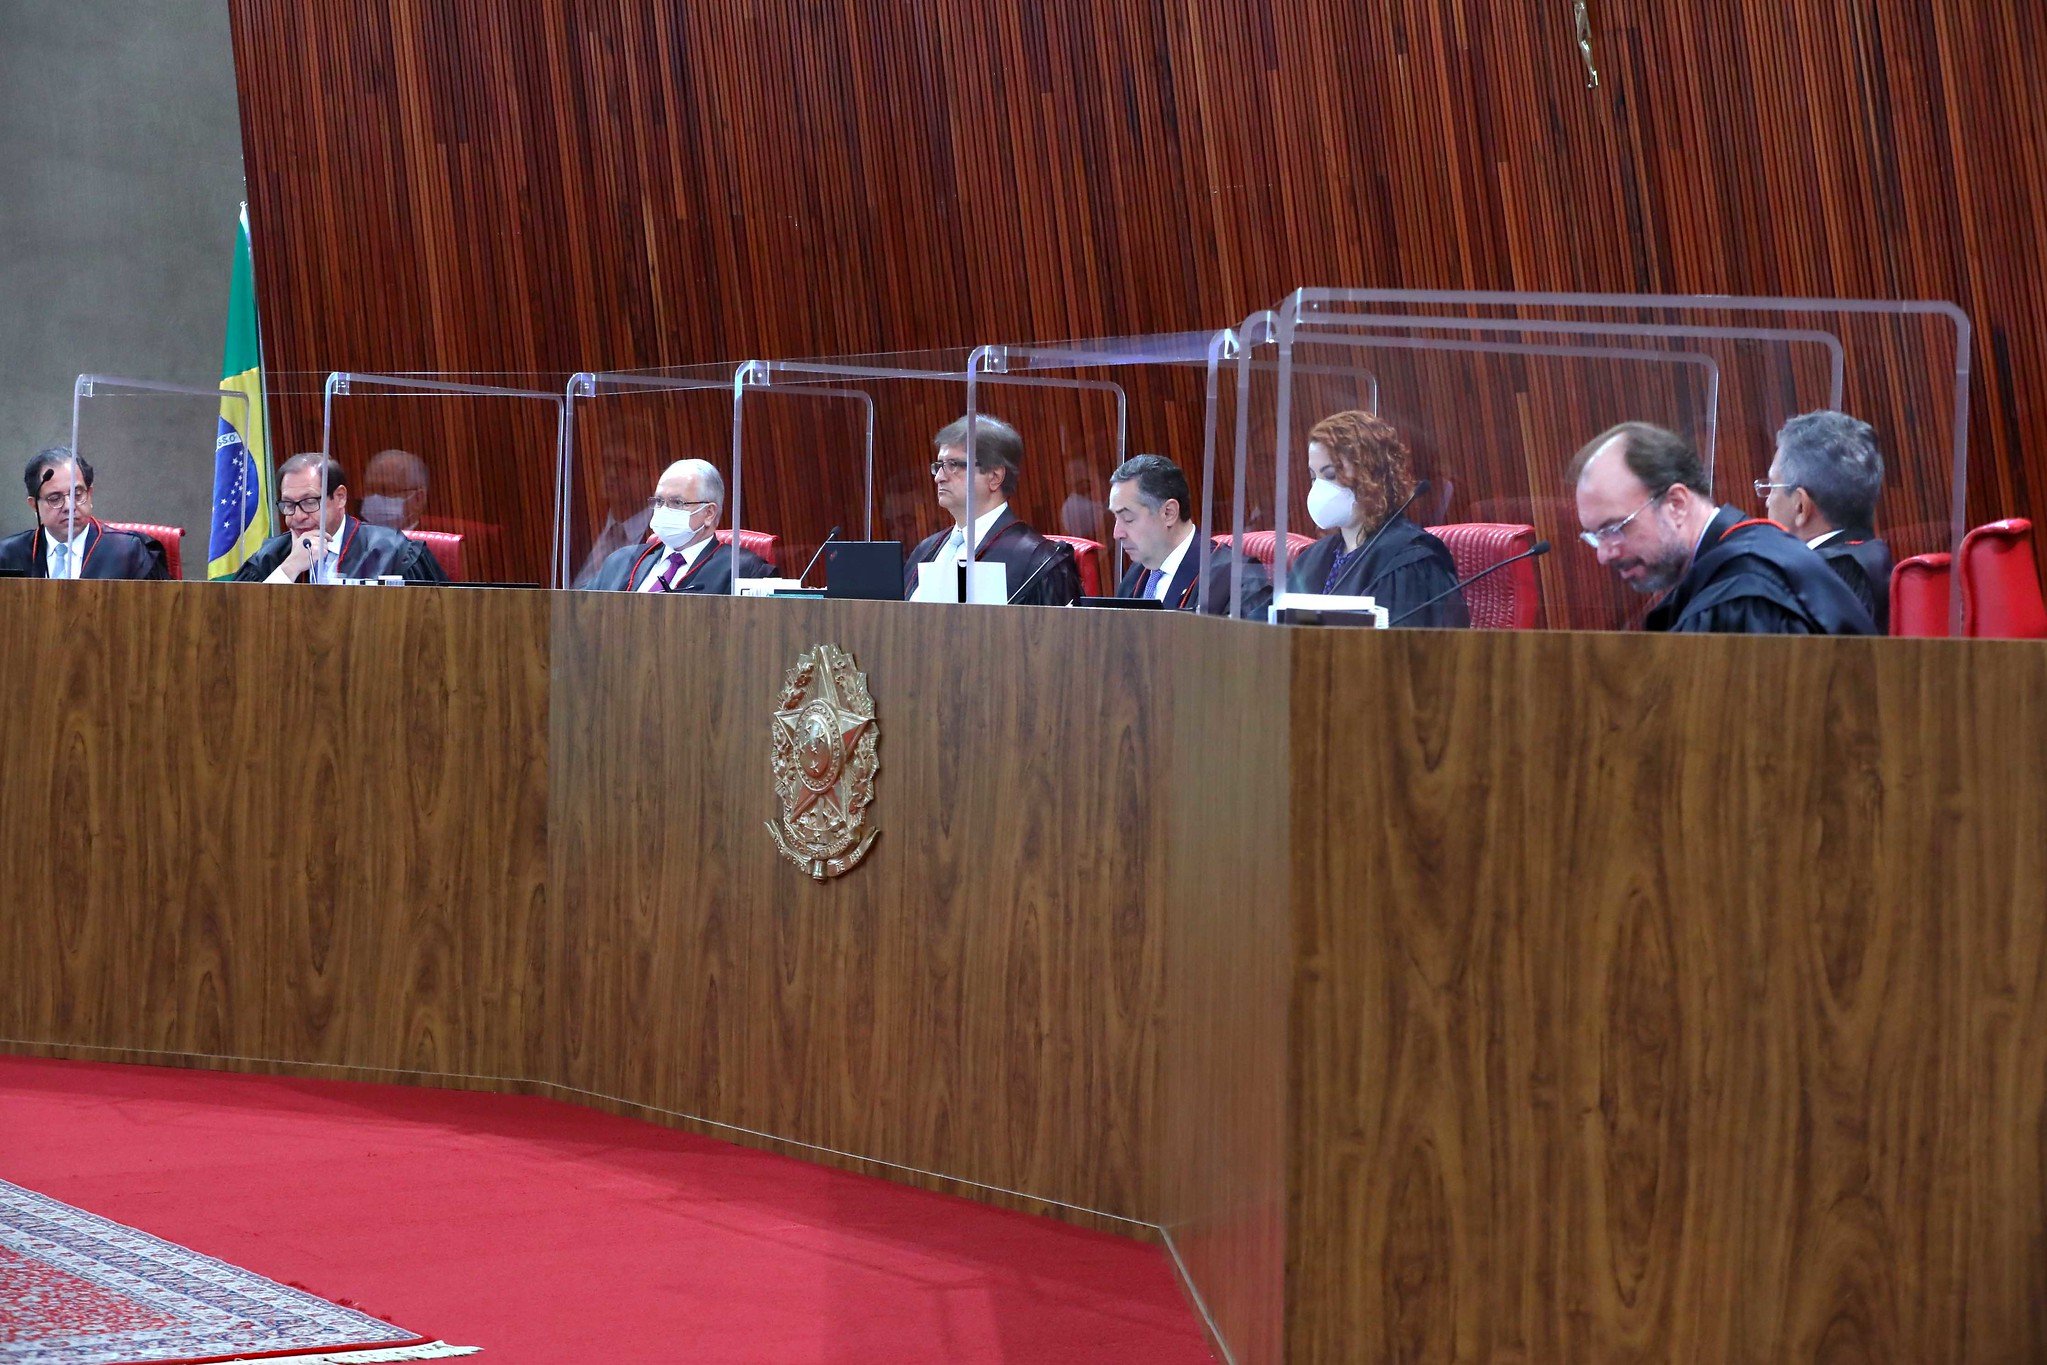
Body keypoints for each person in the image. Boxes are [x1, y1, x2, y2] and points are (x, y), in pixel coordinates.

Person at [1570, 421, 1874, 635]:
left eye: (1614, 528)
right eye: (1595, 536)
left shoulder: (1742, 598)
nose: (1604, 554)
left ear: (1676, 503)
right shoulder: (1746, 560)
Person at [1286, 411, 1467, 627]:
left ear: (1370, 475)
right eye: (1314, 477)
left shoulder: (1408, 560)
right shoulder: (1312, 559)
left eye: (1331, 475)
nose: (1318, 489)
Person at [903, 414, 1080, 606]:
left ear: (995, 477)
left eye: (954, 465)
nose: (939, 478)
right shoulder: (926, 550)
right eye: (939, 466)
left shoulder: (1040, 561)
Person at [1760, 410, 1893, 632]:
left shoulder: (1818, 577)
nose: (1766, 502)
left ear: (1801, 506)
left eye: (1772, 487)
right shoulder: (1869, 557)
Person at [234, 453, 447, 583]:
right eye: (288, 504)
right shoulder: (270, 556)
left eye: (309, 502)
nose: (297, 516)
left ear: (339, 497)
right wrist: (290, 567)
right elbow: (236, 619)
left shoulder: (392, 551)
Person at [1107, 453, 1270, 617]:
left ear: (1168, 513)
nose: (1117, 533)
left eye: (1128, 519)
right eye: (1115, 518)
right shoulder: (1136, 575)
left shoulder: (1237, 577)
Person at [587, 458, 773, 593]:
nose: (664, 510)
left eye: (676, 503)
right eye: (659, 501)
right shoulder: (621, 561)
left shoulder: (743, 572)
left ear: (709, 513)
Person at [0, 448, 170, 580]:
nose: (69, 506)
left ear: (90, 494)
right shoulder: (8, 555)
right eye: (55, 498)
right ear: (34, 505)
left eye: (77, 494)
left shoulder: (131, 552)